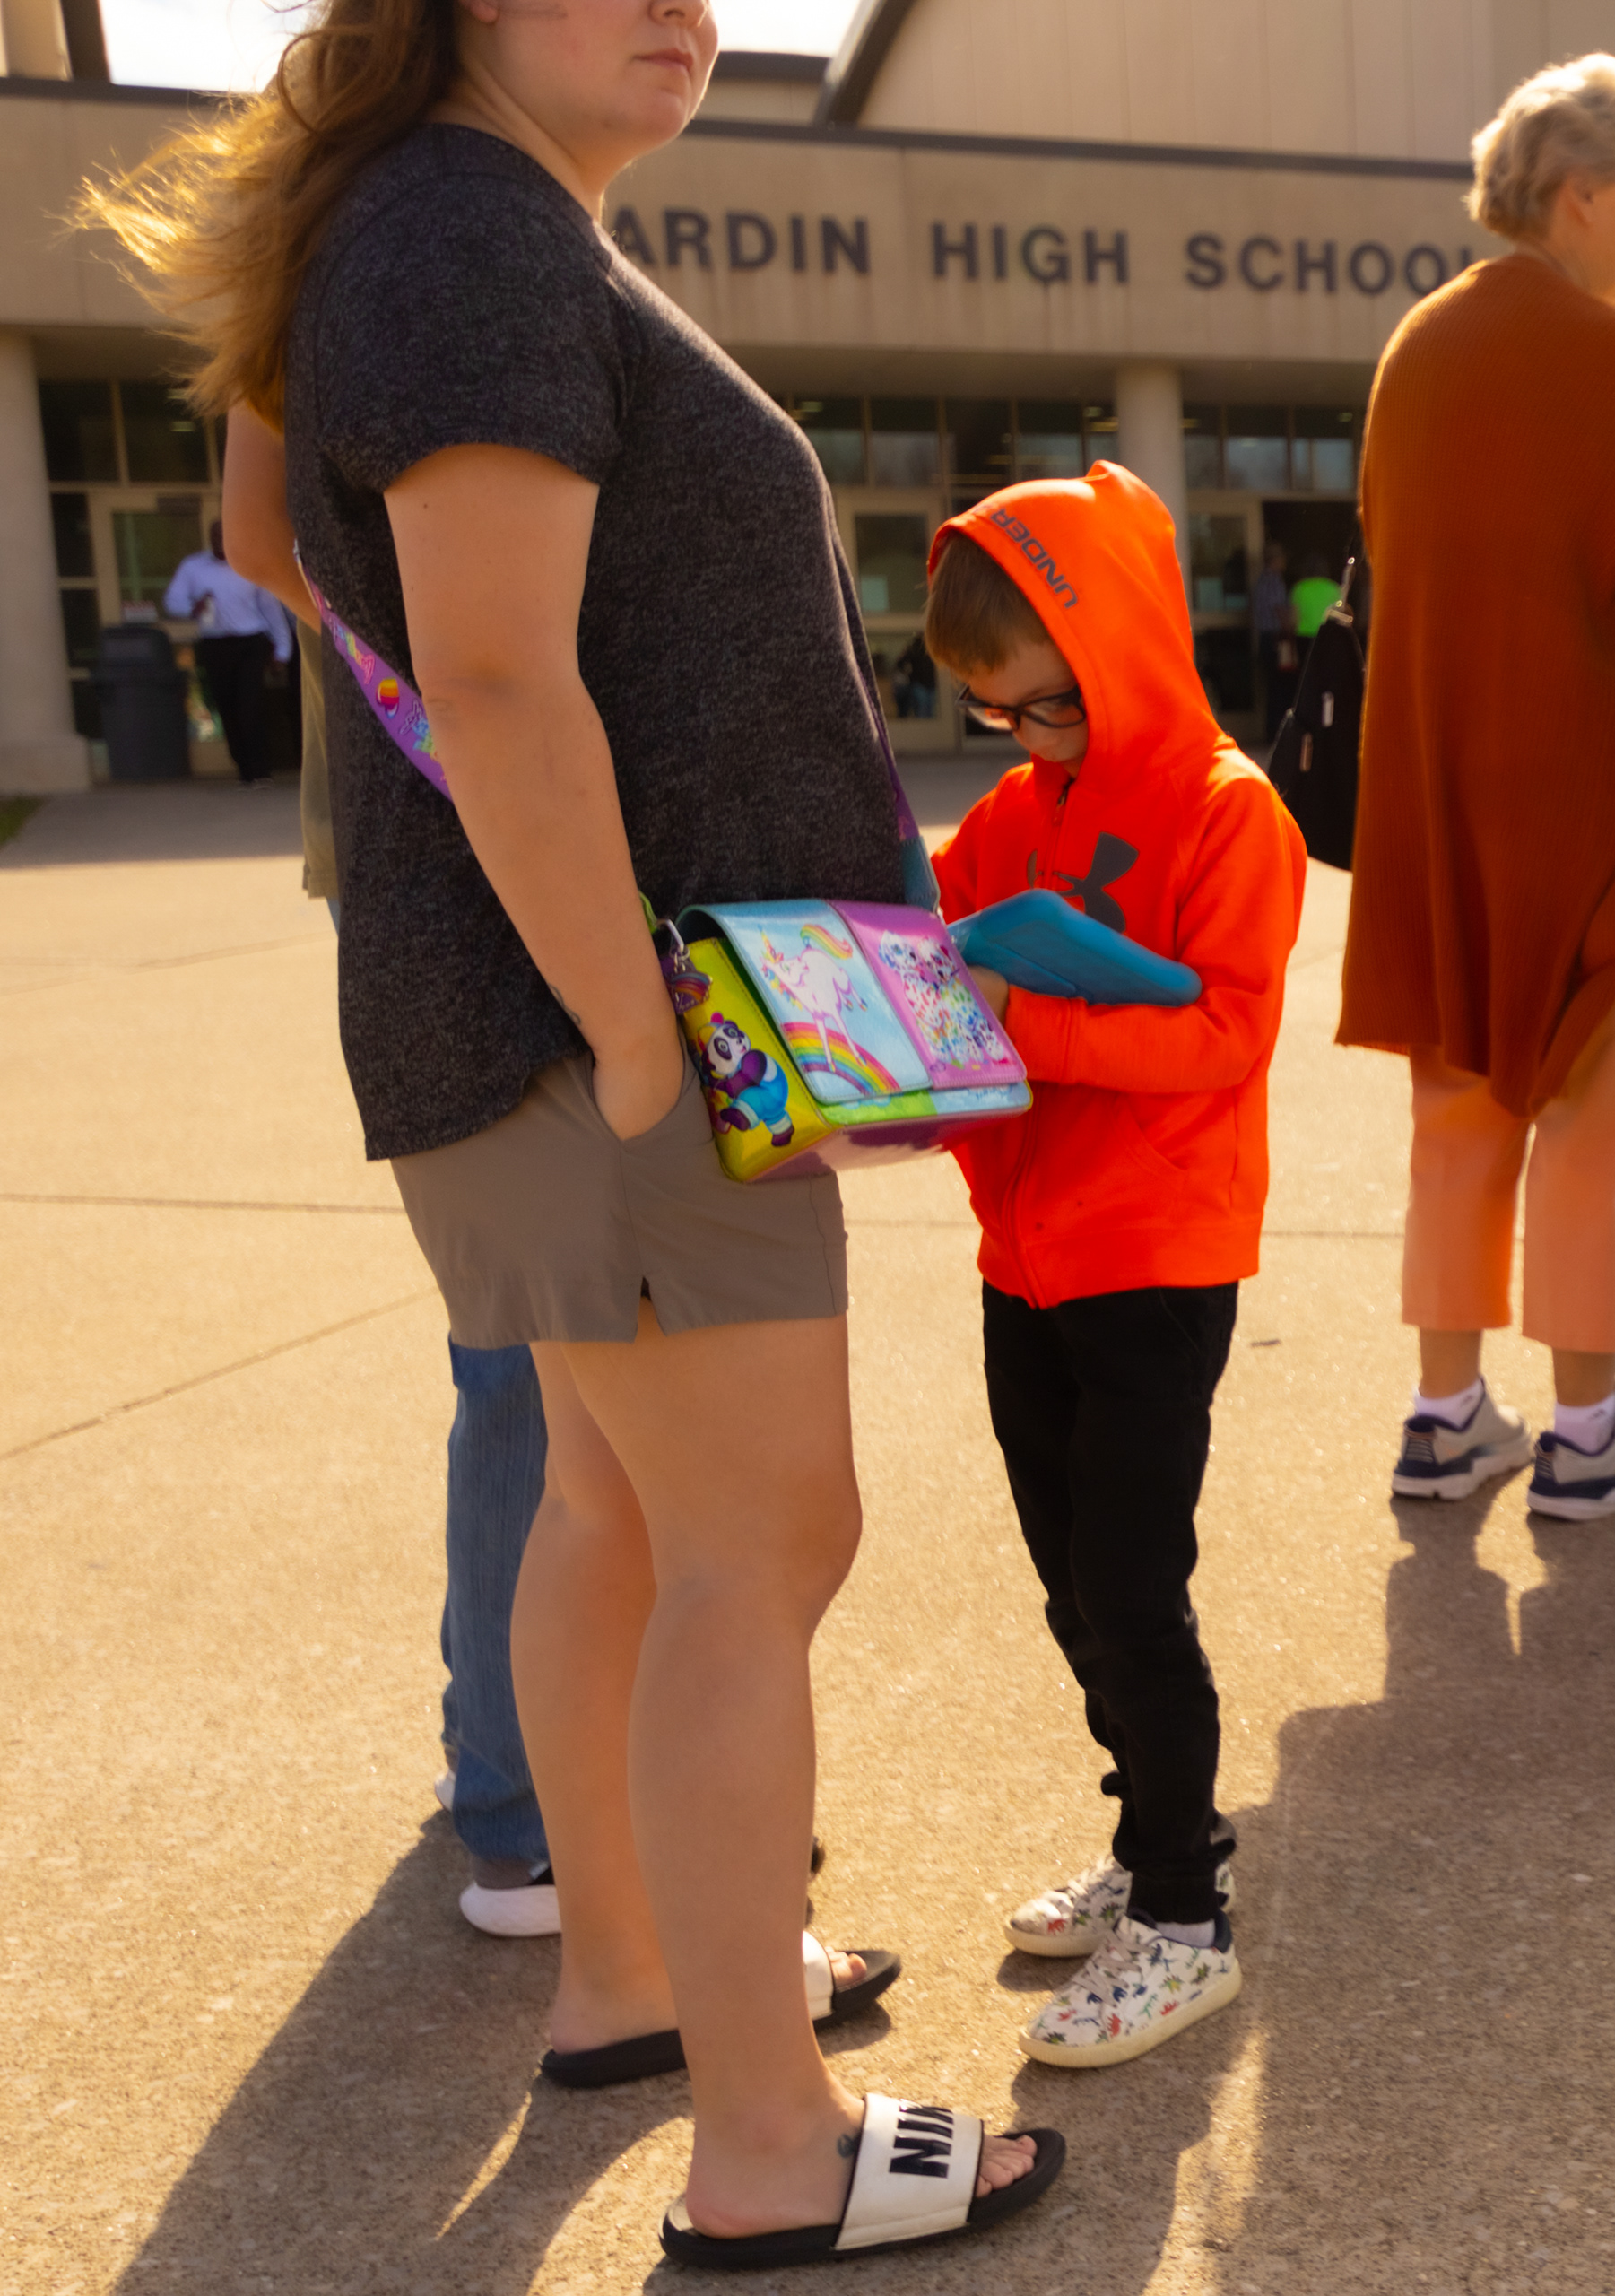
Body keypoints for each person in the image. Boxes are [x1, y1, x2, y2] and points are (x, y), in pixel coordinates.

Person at [86, 0, 1056, 2266]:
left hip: (541, 1015)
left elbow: (302, 551)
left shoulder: (441, 221)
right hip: (599, 1028)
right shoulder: (468, 233)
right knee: (764, 1541)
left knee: (618, 1507)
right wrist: (638, 1037)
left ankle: (635, 1983)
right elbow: (500, 673)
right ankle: (770, 2143)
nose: (683, 12)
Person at [921, 464, 1306, 2069]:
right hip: (1027, 1247)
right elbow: (932, 963)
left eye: (1048, 710)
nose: (1025, 746)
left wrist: (1029, 1026)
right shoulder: (1020, 814)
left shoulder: (1231, 810)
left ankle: (1183, 1916)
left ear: (1128, 641)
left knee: (1135, 1589)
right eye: (996, 718)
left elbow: (1227, 1032)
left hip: (1153, 1252)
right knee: (1072, 1575)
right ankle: (1155, 1828)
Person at [1341, 54, 1615, 1521]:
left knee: (1456, 1105)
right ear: (1581, 196)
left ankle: (1446, 1416)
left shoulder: (1416, 348)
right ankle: (1586, 1429)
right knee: (1585, 1111)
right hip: (1585, 788)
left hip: (1437, 785)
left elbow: (1384, 557)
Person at [227, 402, 560, 1946]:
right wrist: (442, 683)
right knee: (533, 1361)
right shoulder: (400, 237)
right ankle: (525, 1805)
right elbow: (256, 536)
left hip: (421, 838)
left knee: (531, 1359)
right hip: (467, 842)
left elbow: (259, 535)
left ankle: (524, 1778)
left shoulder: (341, 246)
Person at [162, 519, 295, 783]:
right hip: (215, 646)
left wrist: (282, 649)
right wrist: (192, 608)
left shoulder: (250, 566)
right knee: (227, 707)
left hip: (250, 643)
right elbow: (172, 601)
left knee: (250, 707)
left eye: (224, 537)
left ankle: (261, 771)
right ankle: (244, 769)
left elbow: (271, 609)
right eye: (215, 538)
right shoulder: (194, 567)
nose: (219, 543)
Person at [1249, 539, 1296, 733]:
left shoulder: (1260, 581)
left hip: (1264, 638)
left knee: (1271, 687)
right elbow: (1280, 611)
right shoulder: (1274, 581)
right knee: (1281, 687)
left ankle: (1270, 730)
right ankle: (1278, 732)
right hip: (1275, 639)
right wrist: (1290, 632)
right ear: (1275, 560)